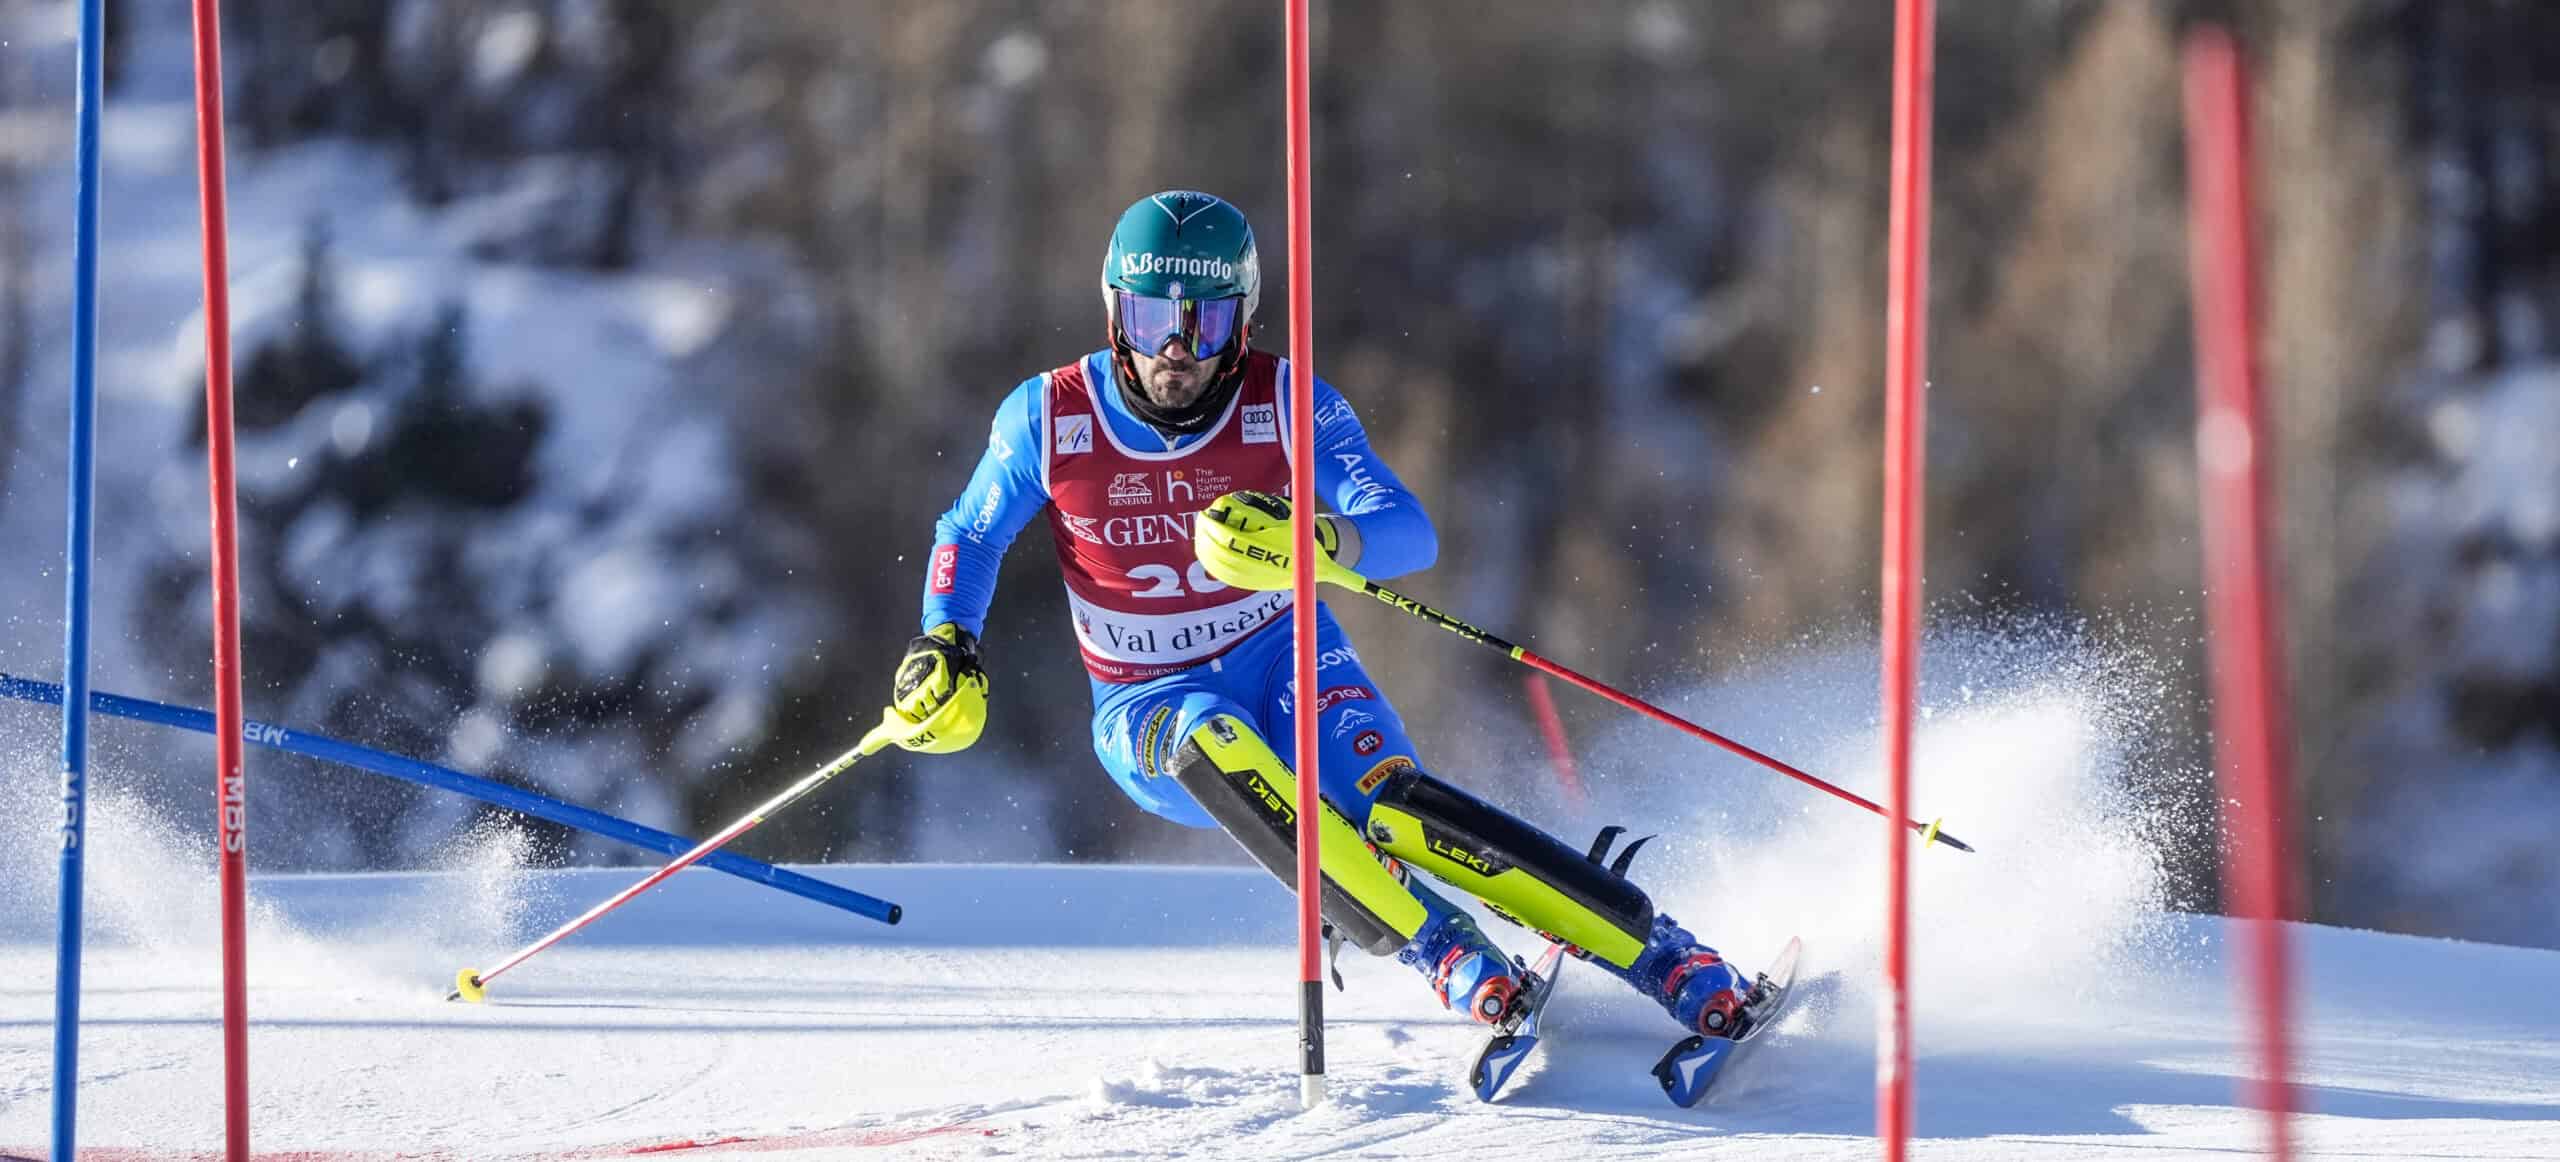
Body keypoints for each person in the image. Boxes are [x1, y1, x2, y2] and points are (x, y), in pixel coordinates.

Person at [887, 189, 1757, 1039]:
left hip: (1286, 659)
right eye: (1155, 321)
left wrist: (1316, 541)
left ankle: (1667, 957)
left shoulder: (1285, 401)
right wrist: (947, 638)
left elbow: (1406, 530)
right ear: (1116, 312)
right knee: (1213, 742)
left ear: (1246, 320)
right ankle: (1443, 949)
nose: (1178, 352)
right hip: (1144, 704)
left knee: (1391, 810)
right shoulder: (1049, 416)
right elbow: (970, 531)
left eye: (1208, 324)